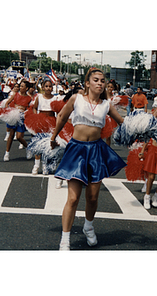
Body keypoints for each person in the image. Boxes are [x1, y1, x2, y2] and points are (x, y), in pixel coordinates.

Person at [50, 68, 126, 250]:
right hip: (77, 150)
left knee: (92, 197)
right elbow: (61, 117)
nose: (100, 83)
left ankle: (88, 227)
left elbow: (124, 123)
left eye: (103, 81)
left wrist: (141, 128)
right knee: (73, 198)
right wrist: (53, 138)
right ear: (87, 83)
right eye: (96, 80)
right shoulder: (76, 99)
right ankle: (65, 239)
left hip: (96, 151)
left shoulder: (106, 105)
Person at [31, 78, 57, 175]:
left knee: (47, 145)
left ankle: (45, 165)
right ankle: (36, 165)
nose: (48, 88)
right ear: (42, 87)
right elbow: (34, 107)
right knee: (38, 143)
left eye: (50, 86)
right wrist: (36, 117)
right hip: (41, 121)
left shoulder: (55, 98)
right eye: (46, 86)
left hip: (51, 122)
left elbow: (58, 112)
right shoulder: (39, 97)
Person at [3, 81, 32, 162]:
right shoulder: (15, 94)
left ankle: (28, 148)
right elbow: (7, 103)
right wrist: (8, 111)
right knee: (11, 135)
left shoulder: (29, 98)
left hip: (21, 118)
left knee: (19, 137)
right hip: (13, 116)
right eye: (20, 86)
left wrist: (26, 114)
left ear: (26, 88)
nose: (20, 88)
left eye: (22, 86)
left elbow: (30, 109)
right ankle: (7, 153)